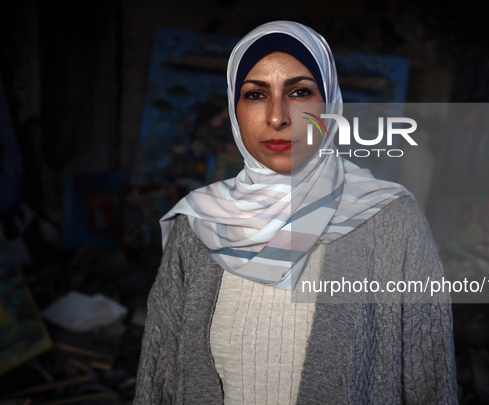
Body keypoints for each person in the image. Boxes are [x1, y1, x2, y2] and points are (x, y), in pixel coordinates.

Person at [134, 21, 457, 404]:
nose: (277, 117)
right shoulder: (201, 223)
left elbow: (431, 384)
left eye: (300, 92)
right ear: (234, 109)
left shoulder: (389, 220)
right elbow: (159, 379)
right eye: (255, 95)